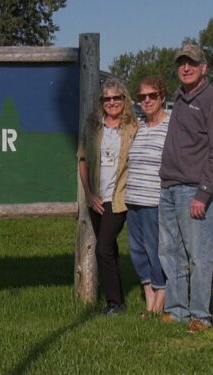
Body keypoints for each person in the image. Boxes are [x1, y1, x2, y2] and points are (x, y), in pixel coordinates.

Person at [158, 44, 213, 332]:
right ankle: (176, 310)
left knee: (199, 256)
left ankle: (200, 316)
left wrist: (204, 192)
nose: (185, 68)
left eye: (192, 63)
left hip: (195, 191)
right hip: (169, 187)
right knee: (170, 252)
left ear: (205, 67)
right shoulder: (179, 99)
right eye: (181, 63)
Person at [79, 78, 138, 315]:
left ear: (125, 100)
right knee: (109, 248)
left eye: (117, 98)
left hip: (118, 198)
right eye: (107, 99)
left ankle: (114, 303)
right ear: (101, 102)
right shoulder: (93, 127)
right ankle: (118, 298)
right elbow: (82, 160)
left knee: (102, 249)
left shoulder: (133, 128)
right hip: (96, 197)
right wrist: (89, 194)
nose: (112, 103)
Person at [125, 76, 169, 316]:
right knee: (137, 250)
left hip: (155, 200)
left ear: (162, 97)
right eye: (142, 97)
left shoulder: (171, 125)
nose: (147, 100)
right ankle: (148, 293)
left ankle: (160, 297)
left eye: (152, 95)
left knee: (155, 249)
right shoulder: (138, 126)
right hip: (133, 198)